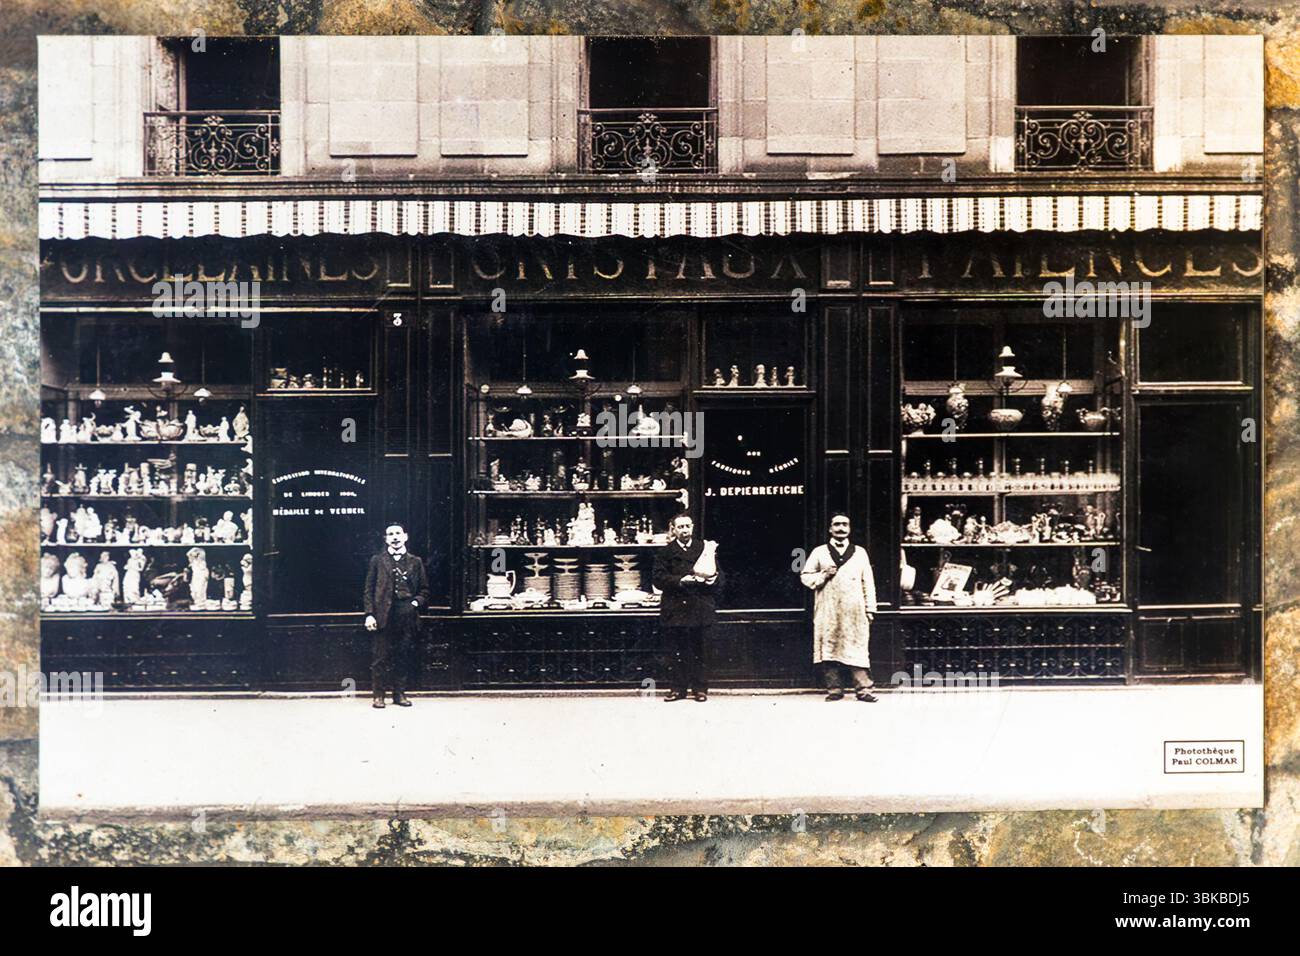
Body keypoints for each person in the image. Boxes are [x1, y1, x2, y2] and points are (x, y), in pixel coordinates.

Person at [800, 512, 878, 702]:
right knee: (829, 646)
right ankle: (834, 689)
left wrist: (870, 608)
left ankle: (864, 690)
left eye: (845, 524)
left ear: (849, 529)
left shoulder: (860, 552)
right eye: (837, 524)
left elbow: (868, 581)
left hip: (854, 609)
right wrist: (823, 575)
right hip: (828, 608)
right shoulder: (819, 552)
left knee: (857, 647)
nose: (841, 528)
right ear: (830, 529)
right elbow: (805, 576)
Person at [652, 513, 721, 702]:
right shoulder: (665, 552)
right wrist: (680, 580)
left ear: (692, 528)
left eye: (687, 526)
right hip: (675, 608)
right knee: (676, 651)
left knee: (701, 650)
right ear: (673, 529)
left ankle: (700, 689)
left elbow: (720, 576)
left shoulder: (704, 549)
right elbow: (657, 579)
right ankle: (677, 689)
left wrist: (712, 579)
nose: (684, 530)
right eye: (680, 527)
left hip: (700, 606)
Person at [363, 522, 429, 709]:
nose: (395, 537)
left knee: (403, 654)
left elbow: (424, 591)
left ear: (405, 537)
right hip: (383, 615)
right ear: (386, 539)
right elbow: (368, 590)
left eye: (398, 533)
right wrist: (369, 614)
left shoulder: (416, 562)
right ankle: (378, 696)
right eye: (390, 534)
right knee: (380, 657)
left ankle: (399, 694)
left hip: (406, 614)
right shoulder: (377, 560)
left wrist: (414, 604)